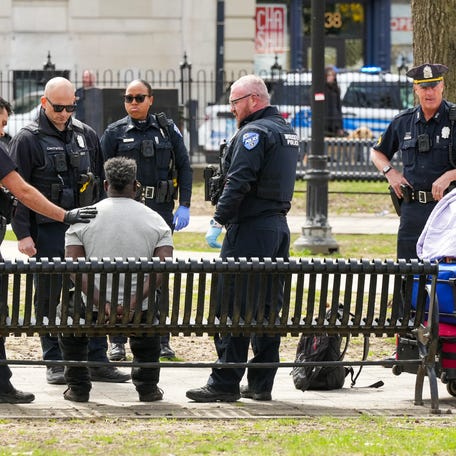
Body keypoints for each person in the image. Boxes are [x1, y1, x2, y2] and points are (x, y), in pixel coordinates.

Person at [9, 77, 130, 385]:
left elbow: (101, 185)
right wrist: (23, 234)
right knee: (49, 297)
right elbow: (18, 191)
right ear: (44, 103)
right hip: (47, 230)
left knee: (93, 292)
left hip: (86, 228)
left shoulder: (86, 134)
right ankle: (55, 360)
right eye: (58, 108)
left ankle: (96, 358)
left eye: (70, 107)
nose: (64, 113)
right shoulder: (27, 139)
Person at [185, 74, 299, 402]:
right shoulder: (286, 131)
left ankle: (224, 382)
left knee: (233, 303)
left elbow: (240, 180)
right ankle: (261, 382)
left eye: (235, 102)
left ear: (252, 100)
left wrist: (218, 220)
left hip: (249, 229)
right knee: (266, 306)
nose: (232, 109)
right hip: (277, 228)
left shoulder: (254, 133)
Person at [60, 156, 173, 402]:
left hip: (89, 309)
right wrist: (132, 303)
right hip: (139, 310)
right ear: (136, 186)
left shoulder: (83, 219)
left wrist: (103, 304)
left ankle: (78, 387)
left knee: (66, 315)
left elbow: (74, 268)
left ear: (104, 184)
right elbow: (162, 269)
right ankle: (147, 387)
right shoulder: (156, 221)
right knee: (151, 312)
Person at [101, 79, 192, 360]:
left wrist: (185, 204)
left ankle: (159, 336)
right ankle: (116, 340)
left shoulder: (167, 129)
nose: (134, 103)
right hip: (124, 209)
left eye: (140, 98)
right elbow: (101, 171)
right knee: (118, 270)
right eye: (129, 98)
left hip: (160, 208)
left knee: (157, 273)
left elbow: (185, 165)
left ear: (151, 99)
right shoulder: (114, 132)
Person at [0, 138, 97, 403]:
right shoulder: (25, 140)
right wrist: (64, 216)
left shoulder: (80, 134)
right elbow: (24, 191)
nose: (3, 131)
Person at [371, 63, 456, 260]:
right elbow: (377, 153)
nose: (430, 92)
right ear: (416, 89)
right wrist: (390, 173)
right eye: (424, 87)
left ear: (442, 85)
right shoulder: (403, 121)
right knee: (408, 274)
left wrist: (450, 175)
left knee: (444, 275)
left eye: (434, 86)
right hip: (413, 210)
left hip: (448, 209)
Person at [324, 66, 344, 137]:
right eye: (329, 75)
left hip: (335, 125)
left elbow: (339, 108)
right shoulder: (320, 89)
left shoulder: (336, 89)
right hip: (324, 125)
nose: (331, 77)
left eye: (333, 75)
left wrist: (340, 127)